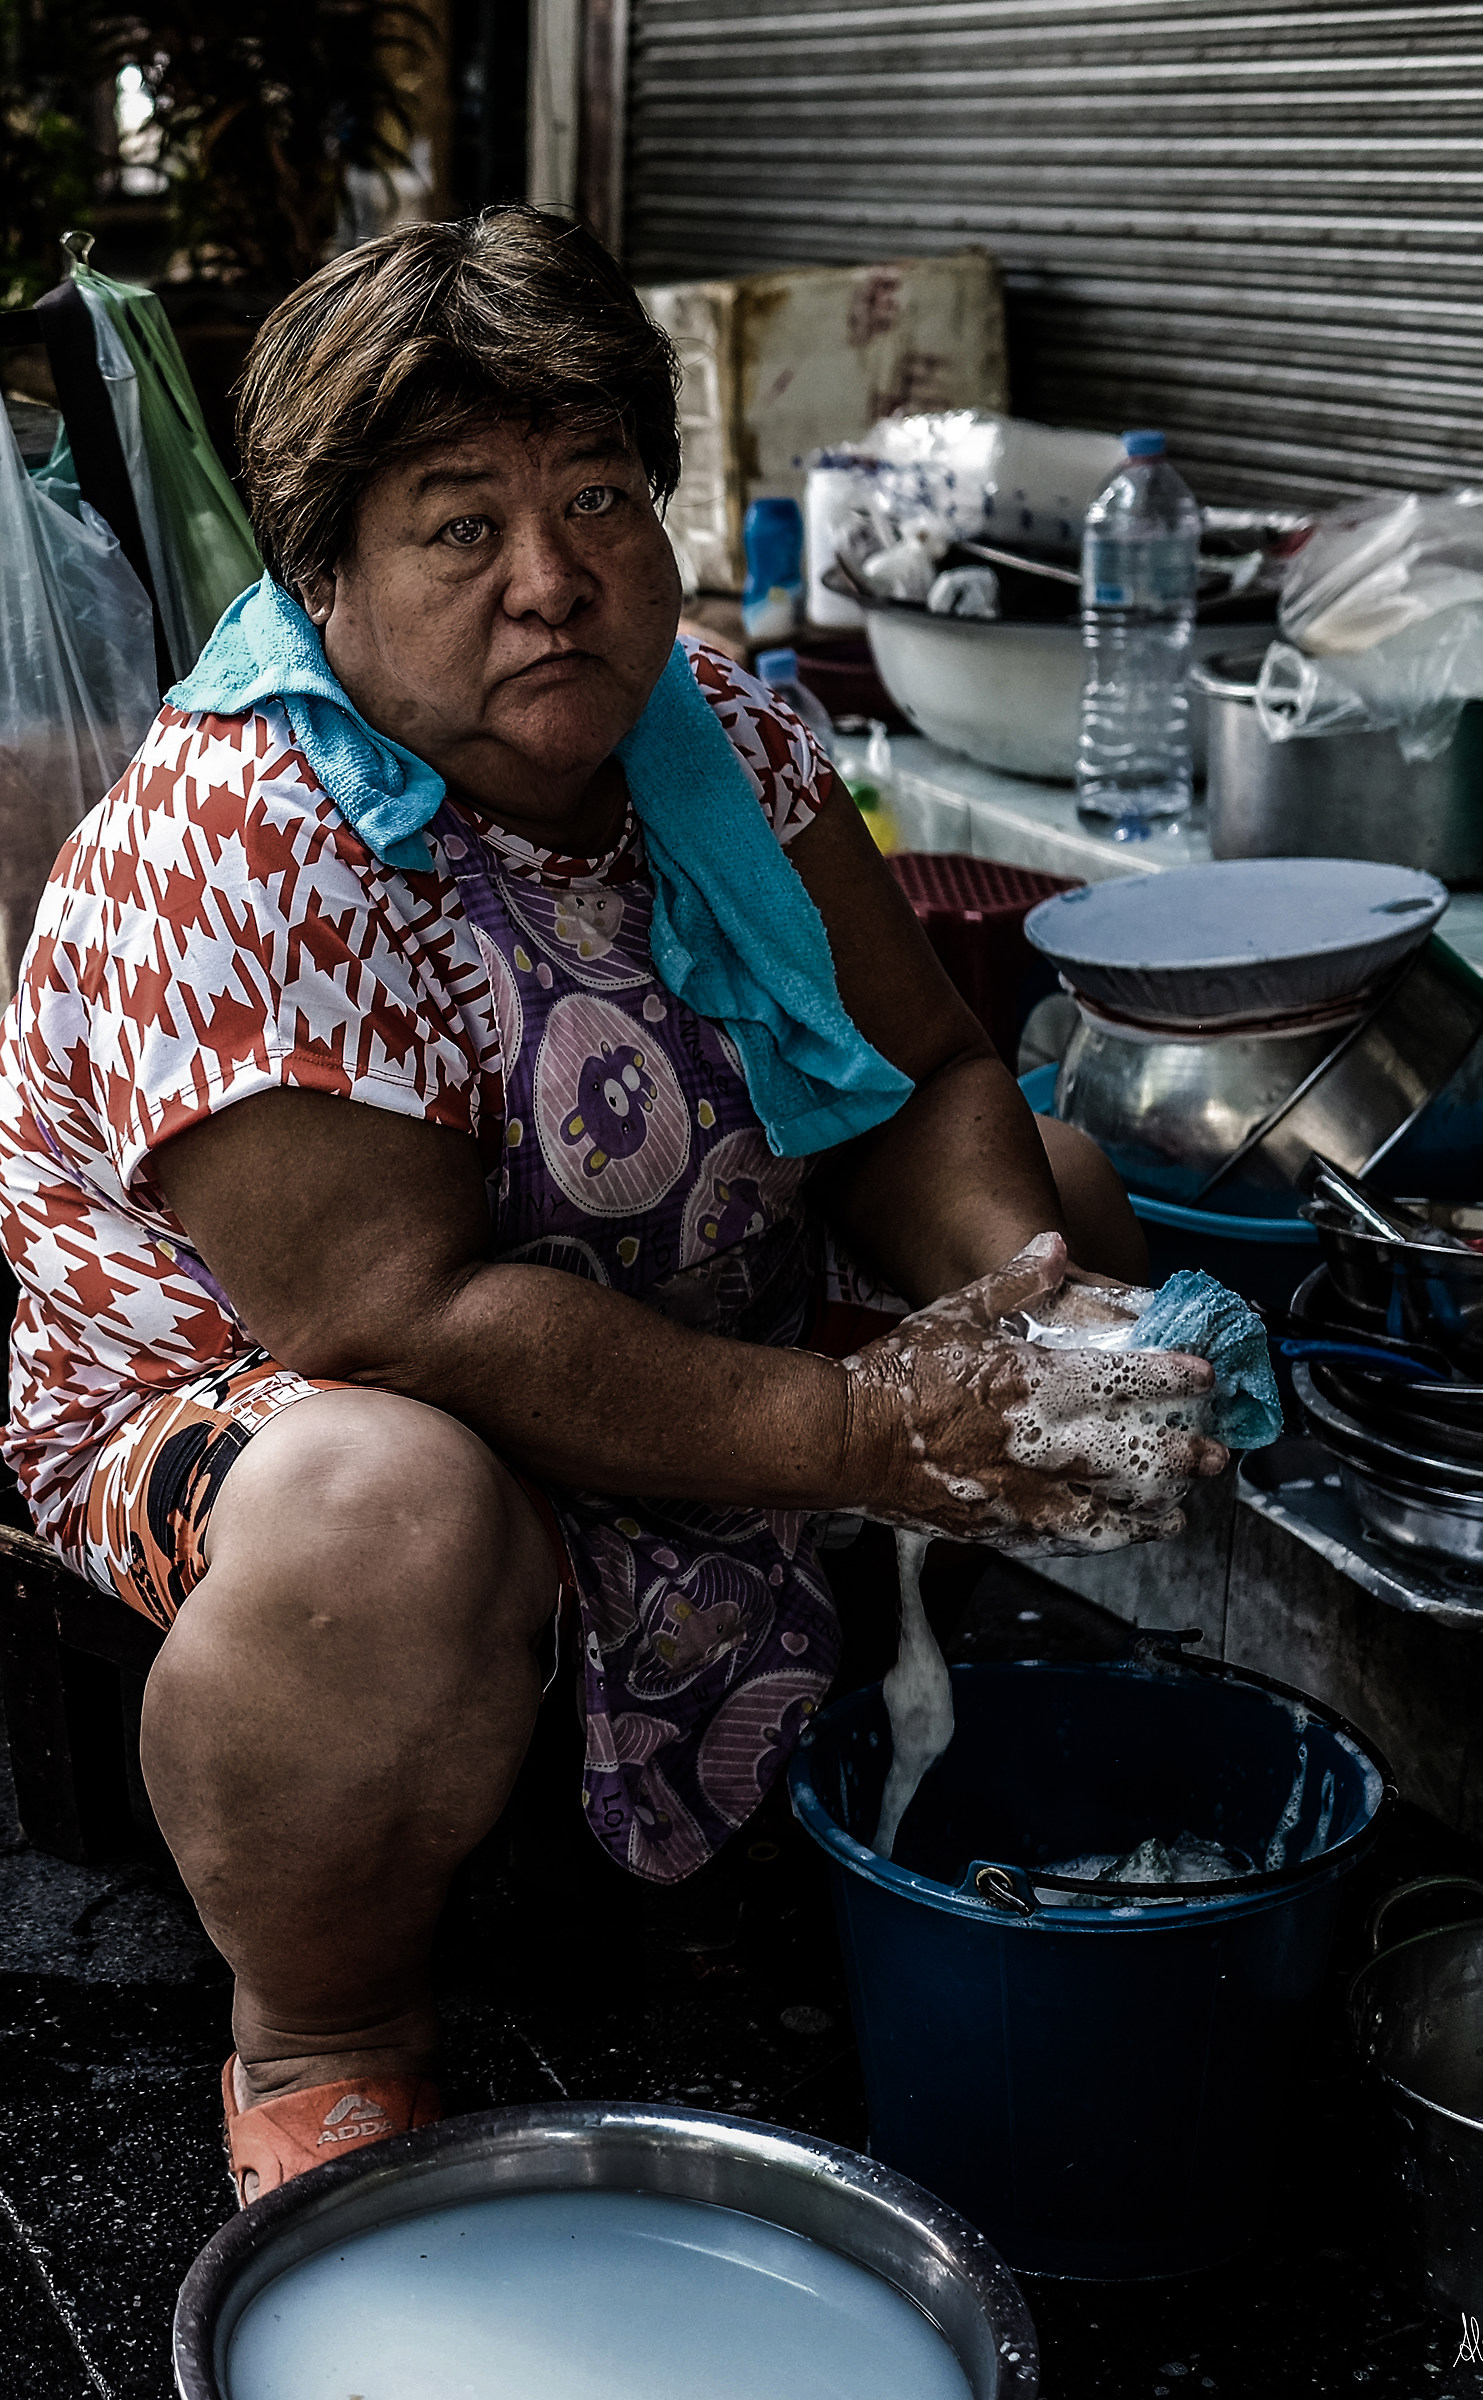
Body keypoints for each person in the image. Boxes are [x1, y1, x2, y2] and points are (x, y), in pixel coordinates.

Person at [0, 207, 1223, 2204]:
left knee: (1073, 1206)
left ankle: (791, 1784)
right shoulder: (242, 836)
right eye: (457, 525)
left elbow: (921, 1073)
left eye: (594, 499)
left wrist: (1012, 1320)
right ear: (323, 572)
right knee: (393, 1509)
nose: (552, 581)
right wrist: (859, 1429)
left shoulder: (722, 731)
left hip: (632, 1276)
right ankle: (321, 2025)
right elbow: (397, 1318)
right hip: (274, 1401)